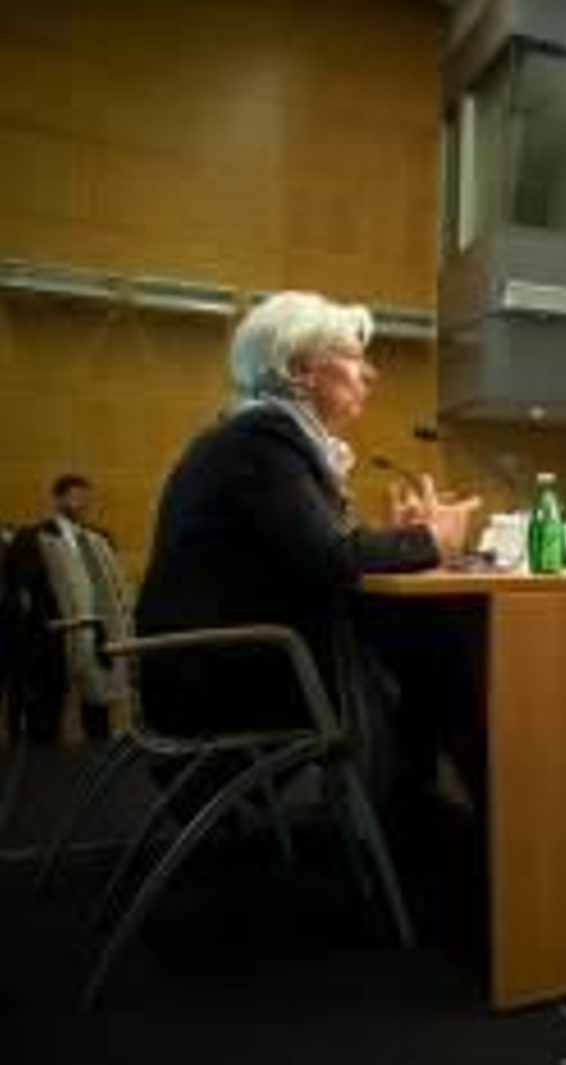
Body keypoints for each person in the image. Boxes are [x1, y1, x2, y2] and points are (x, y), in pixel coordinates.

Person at [135, 292, 480, 800]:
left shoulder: (254, 437)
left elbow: (316, 551)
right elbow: (332, 559)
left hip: (215, 662)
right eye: (354, 356)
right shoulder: (262, 438)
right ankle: (474, 816)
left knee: (423, 640)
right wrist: (430, 539)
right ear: (300, 370)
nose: (371, 373)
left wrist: (401, 538)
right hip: (226, 678)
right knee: (436, 640)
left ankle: (413, 803)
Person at [0, 474, 128, 744]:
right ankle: (42, 761)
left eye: (86, 497)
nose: (82, 503)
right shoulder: (32, 537)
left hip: (94, 632)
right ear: (58, 500)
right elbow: (20, 587)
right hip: (54, 636)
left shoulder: (99, 539)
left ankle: (98, 757)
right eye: (75, 496)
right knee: (47, 711)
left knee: (98, 710)